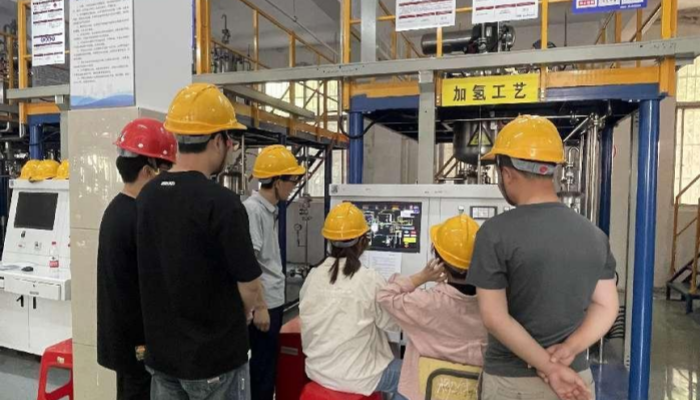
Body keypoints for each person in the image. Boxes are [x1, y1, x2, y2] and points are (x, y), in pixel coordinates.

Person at [466, 115, 619, 400]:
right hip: (576, 380)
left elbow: (495, 318)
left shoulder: (494, 233)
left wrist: (549, 367)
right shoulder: (594, 235)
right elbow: (606, 306)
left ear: (507, 174)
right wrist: (569, 349)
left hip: (512, 385)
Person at [137, 83, 263, 400]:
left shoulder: (147, 196)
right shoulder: (223, 203)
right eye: (229, 140)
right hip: (214, 362)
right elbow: (249, 285)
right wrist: (243, 314)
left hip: (162, 358)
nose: (230, 147)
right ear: (217, 141)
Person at [97, 118, 177, 400]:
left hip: (122, 337)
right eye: (164, 171)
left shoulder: (117, 210)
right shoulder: (137, 216)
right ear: (147, 171)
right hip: (137, 341)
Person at [299, 202, 405, 399]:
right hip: (358, 377)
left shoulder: (313, 276)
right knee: (414, 375)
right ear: (362, 241)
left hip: (319, 371)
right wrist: (397, 291)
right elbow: (393, 324)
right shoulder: (369, 279)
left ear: (329, 241)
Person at [377, 214, 488, 400]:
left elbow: (386, 296)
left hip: (424, 392)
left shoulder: (426, 303)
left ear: (439, 261)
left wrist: (422, 277)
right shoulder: (493, 306)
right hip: (471, 392)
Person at [244, 145, 305, 400]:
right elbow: (250, 263)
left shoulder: (269, 210)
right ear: (277, 181)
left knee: (268, 367)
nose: (293, 187)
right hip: (265, 304)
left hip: (273, 302)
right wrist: (259, 307)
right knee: (262, 371)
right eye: (292, 181)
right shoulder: (254, 210)